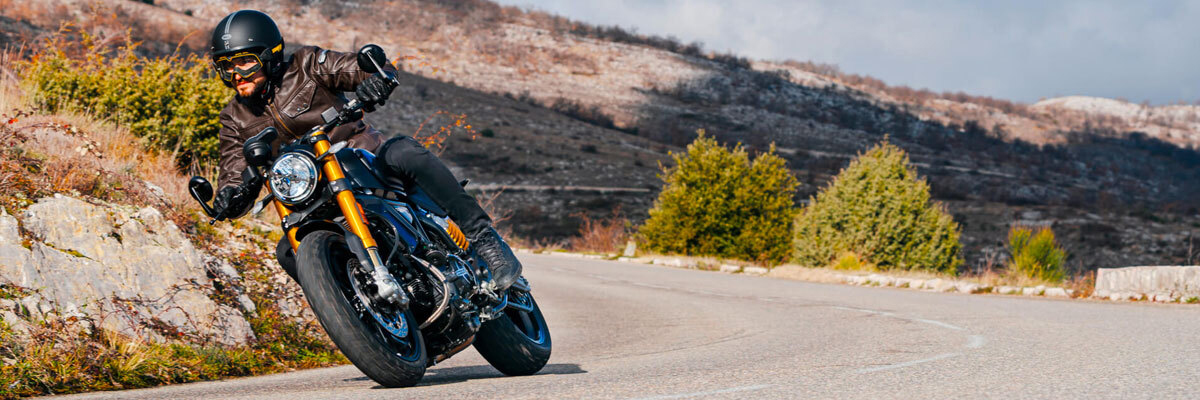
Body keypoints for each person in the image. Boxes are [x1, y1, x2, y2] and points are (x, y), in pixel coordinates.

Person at [207, 10, 521, 292]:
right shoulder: (234, 117)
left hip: (365, 161)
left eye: (245, 62)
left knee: (404, 151)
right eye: (227, 65)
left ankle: (484, 239)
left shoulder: (307, 64)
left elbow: (359, 68)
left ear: (270, 55)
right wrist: (229, 195)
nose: (236, 73)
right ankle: (360, 312)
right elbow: (234, 169)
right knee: (288, 252)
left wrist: (375, 78)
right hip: (313, 197)